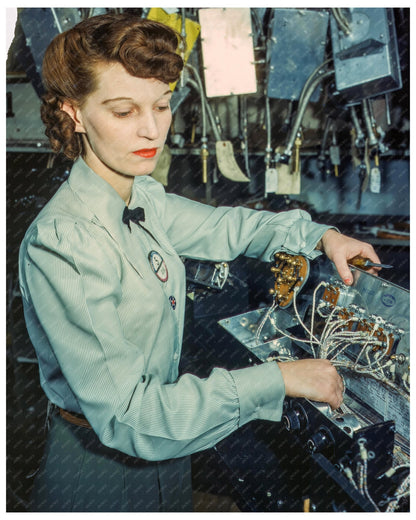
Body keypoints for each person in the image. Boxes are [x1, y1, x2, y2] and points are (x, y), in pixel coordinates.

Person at [18, 12, 382, 513]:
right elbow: (129, 417)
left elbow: (229, 227)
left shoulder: (139, 196)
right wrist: (278, 377)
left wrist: (321, 237)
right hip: (99, 470)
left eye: (162, 105)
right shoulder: (65, 241)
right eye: (123, 111)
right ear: (74, 113)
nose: (151, 128)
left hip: (169, 455)